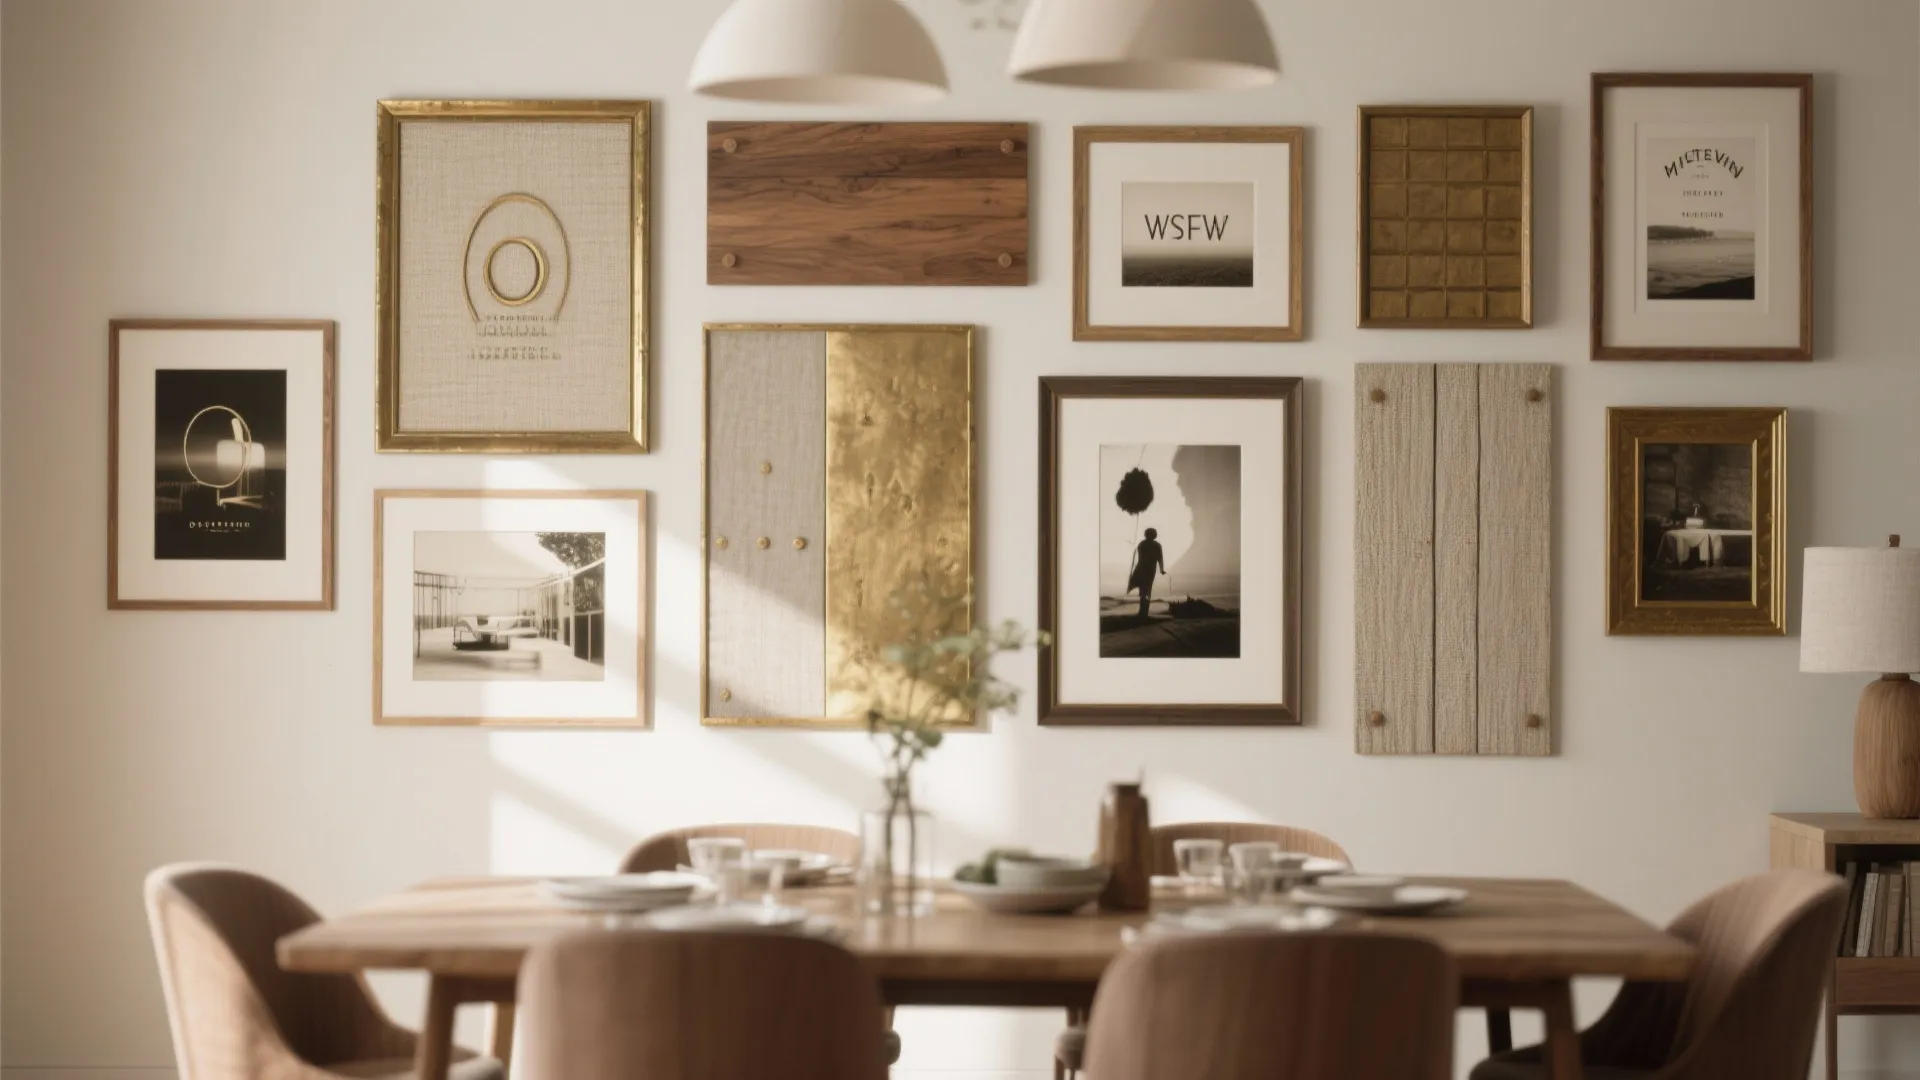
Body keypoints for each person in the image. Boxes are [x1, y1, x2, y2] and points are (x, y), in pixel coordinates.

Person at [1127, 528, 1166, 619]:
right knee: (1147, 590)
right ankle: (1144, 613)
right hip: (1150, 570)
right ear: (1154, 535)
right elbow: (1160, 558)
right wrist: (1161, 569)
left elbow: (1141, 557)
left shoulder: (1142, 544)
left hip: (1140, 569)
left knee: (1142, 591)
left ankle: (1142, 612)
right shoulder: (1157, 545)